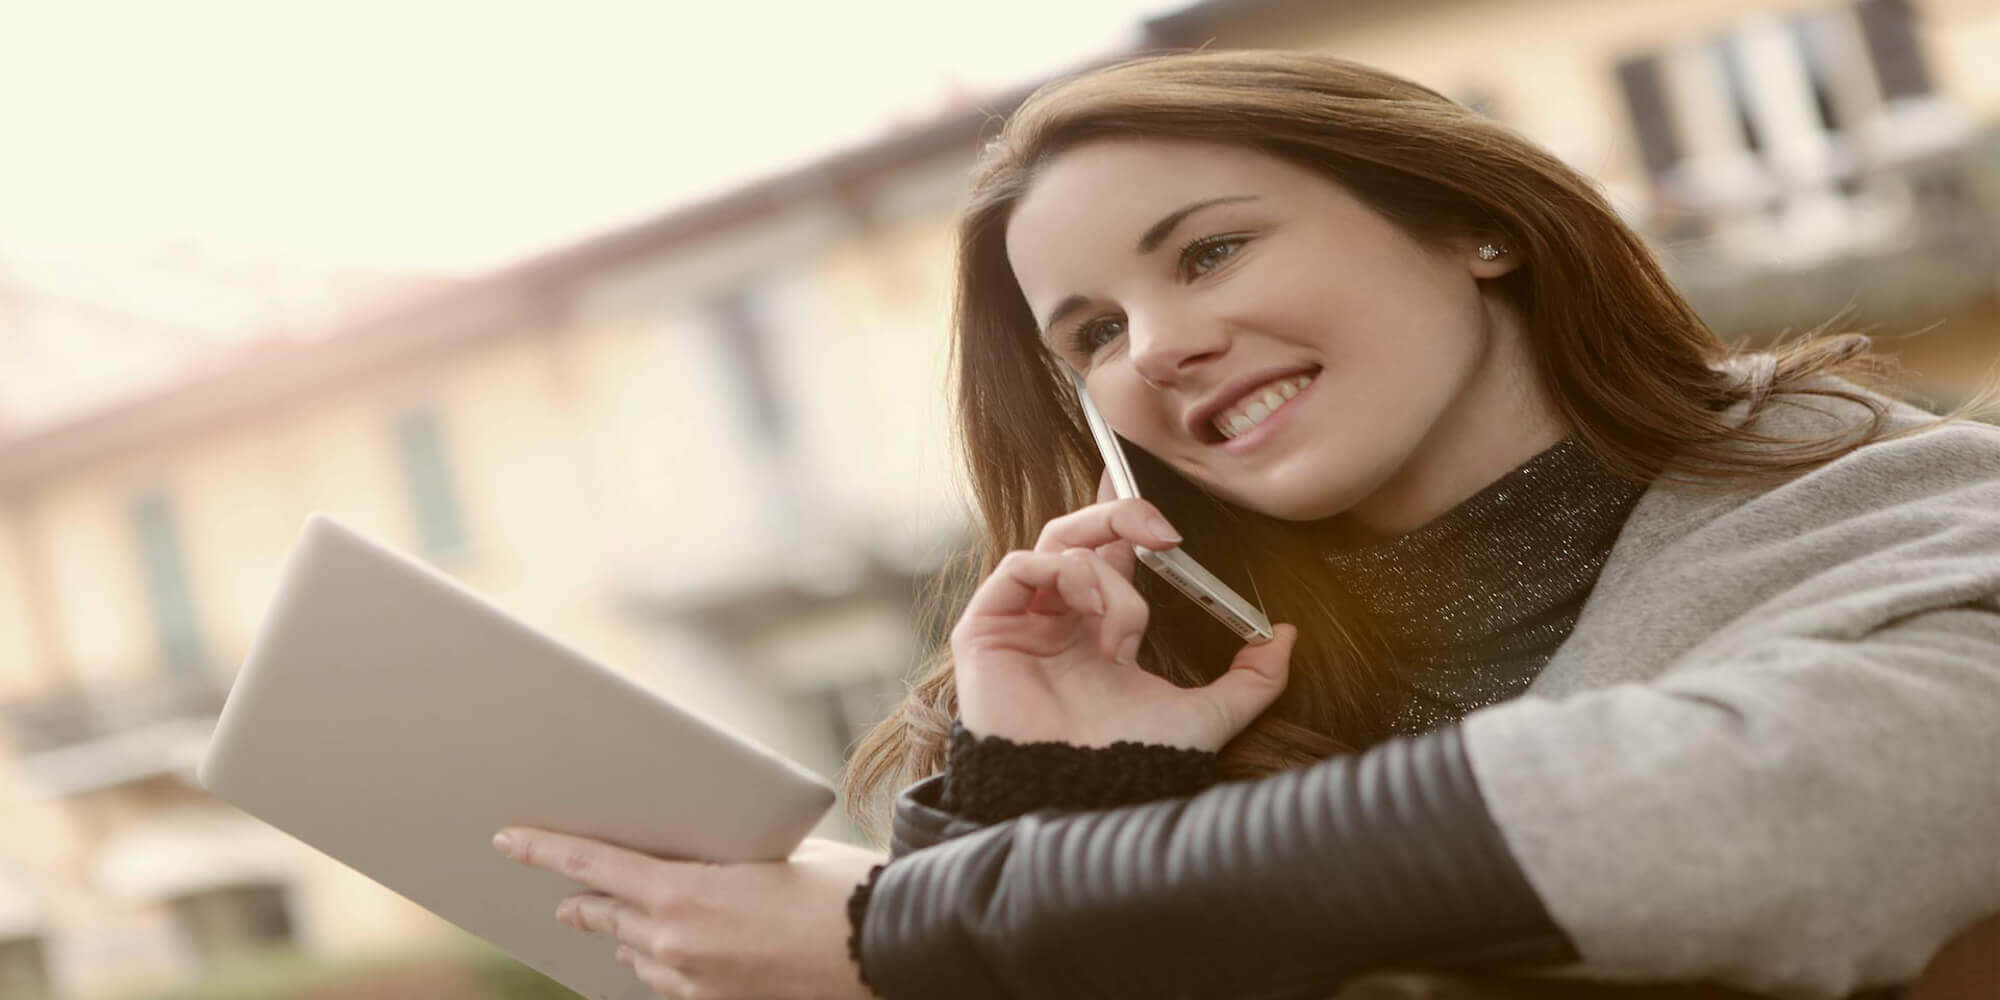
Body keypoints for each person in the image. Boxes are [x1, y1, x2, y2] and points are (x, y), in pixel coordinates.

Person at [491, 49, 2000, 999]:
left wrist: (921, 924)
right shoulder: (1199, 680)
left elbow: (1753, 824)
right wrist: (1047, 785)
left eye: (1208, 253)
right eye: (1091, 333)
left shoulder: (1903, 506)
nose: (1154, 346)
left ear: (1473, 223)